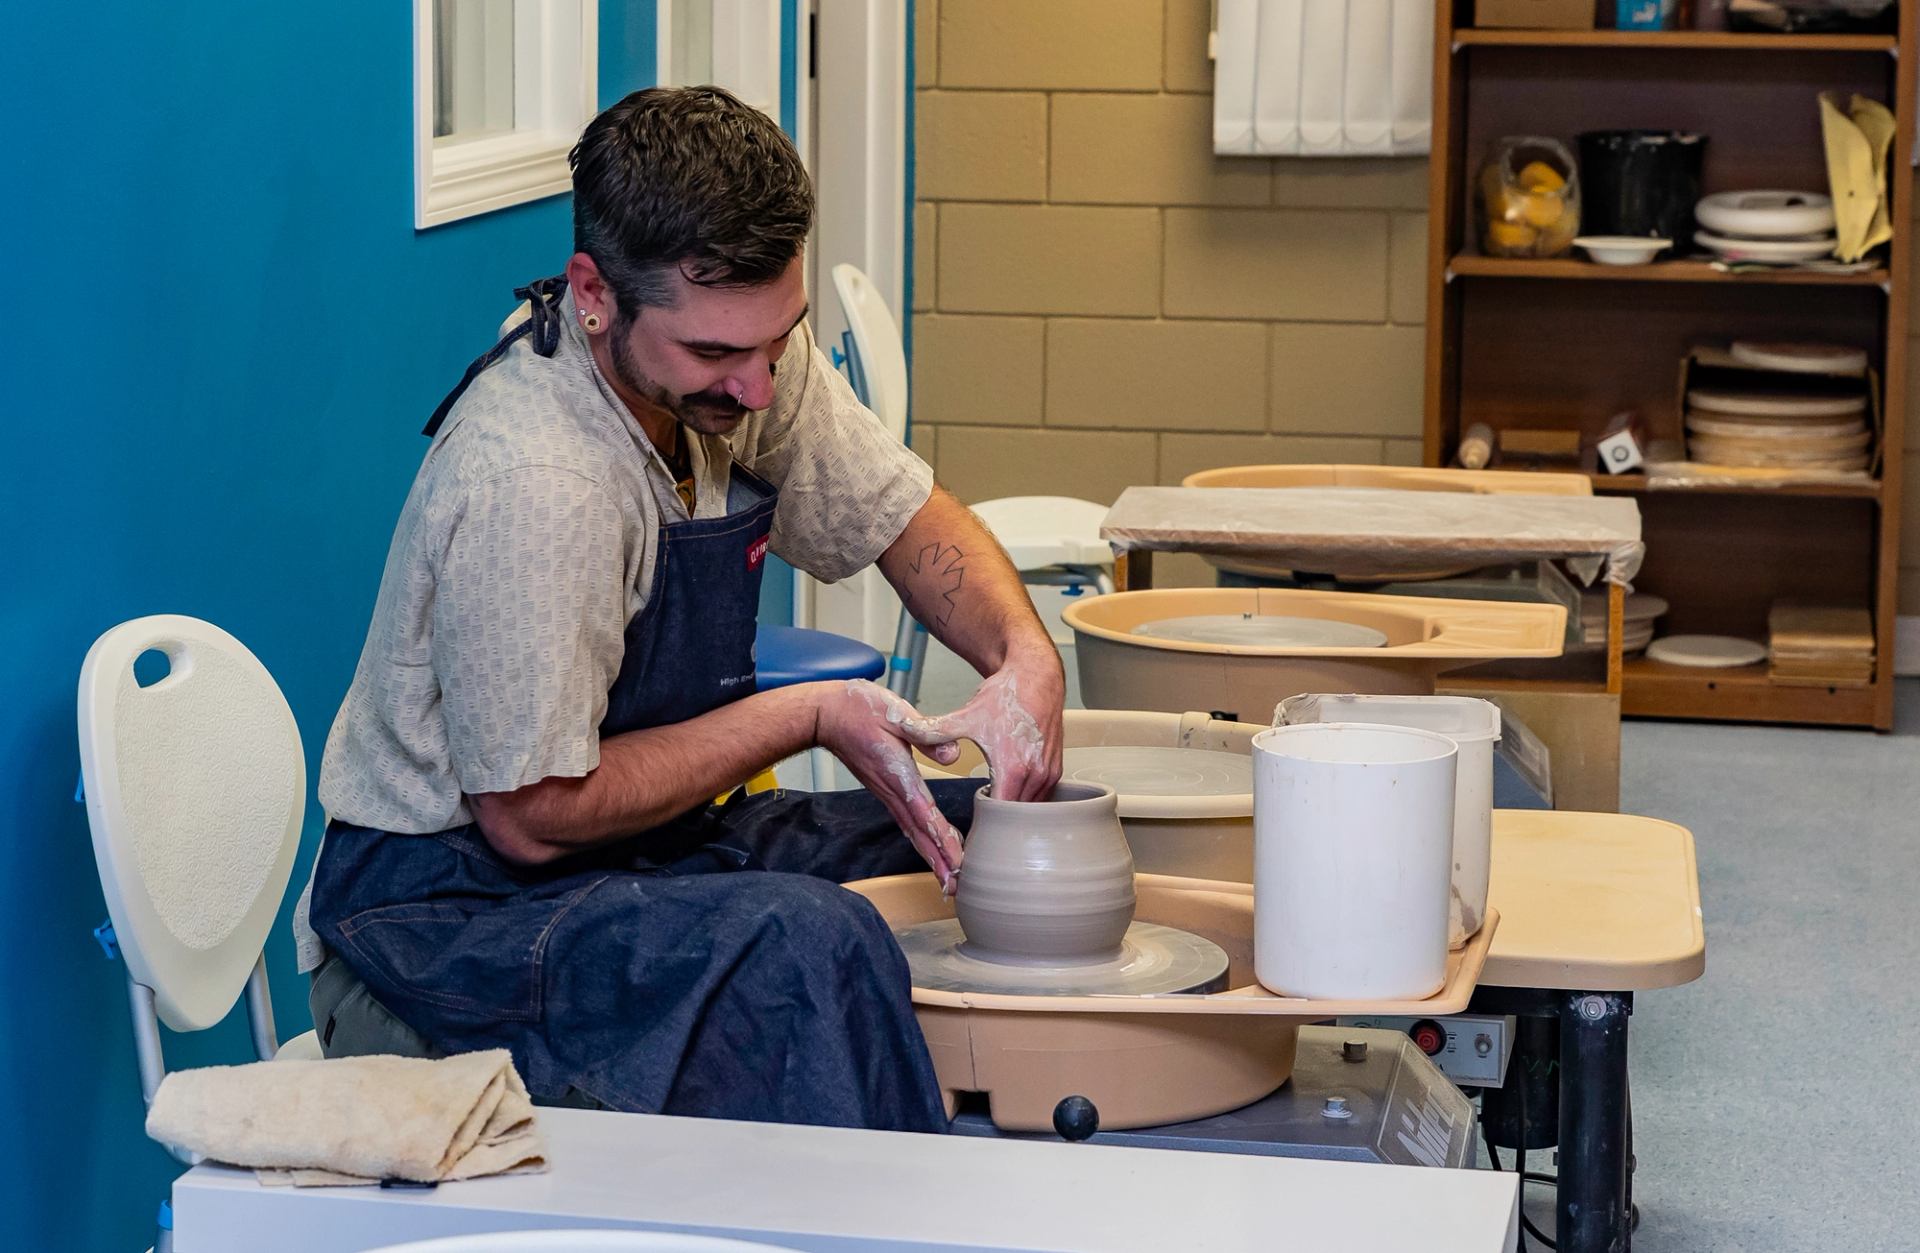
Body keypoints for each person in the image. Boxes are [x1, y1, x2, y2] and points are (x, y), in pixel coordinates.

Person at [292, 86, 1065, 1133]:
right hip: (441, 925)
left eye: (777, 341)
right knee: (806, 943)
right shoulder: (538, 477)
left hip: (632, 855)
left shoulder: (737, 356)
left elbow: (904, 518)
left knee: (990, 833)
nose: (756, 387)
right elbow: (531, 815)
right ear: (594, 291)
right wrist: (808, 712)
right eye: (715, 356)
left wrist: (1026, 662)